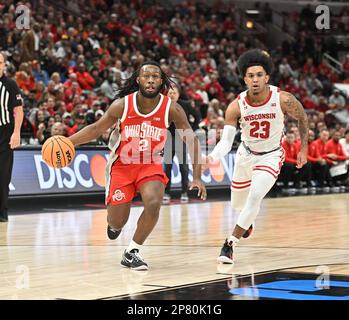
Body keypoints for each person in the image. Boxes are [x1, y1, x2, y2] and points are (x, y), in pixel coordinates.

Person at [69, 61, 206, 270]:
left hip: (150, 164)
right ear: (138, 80)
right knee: (117, 222)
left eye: (155, 77)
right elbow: (97, 129)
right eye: (146, 76)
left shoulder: (172, 109)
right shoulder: (122, 105)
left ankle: (132, 251)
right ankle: (114, 225)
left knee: (153, 202)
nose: (151, 80)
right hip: (121, 166)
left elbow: (192, 141)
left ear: (162, 82)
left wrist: (196, 176)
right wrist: (68, 142)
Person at [204, 49, 309, 264]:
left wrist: (304, 148)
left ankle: (230, 244)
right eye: (250, 76)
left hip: (271, 156)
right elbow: (226, 142)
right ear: (244, 78)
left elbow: (303, 117)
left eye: (259, 75)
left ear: (267, 77)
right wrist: (211, 158)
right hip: (245, 154)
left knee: (255, 197)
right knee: (237, 203)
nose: (255, 80)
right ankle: (247, 222)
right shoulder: (236, 106)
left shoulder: (283, 99)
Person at [163, 83, 201, 204]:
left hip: (182, 140)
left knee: (183, 167)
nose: (172, 94)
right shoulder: (163, 106)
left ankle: (184, 192)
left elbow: (197, 116)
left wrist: (191, 130)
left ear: (178, 94)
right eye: (170, 93)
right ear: (167, 94)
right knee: (167, 168)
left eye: (174, 92)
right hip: (168, 140)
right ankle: (166, 192)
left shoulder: (185, 104)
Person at [0, 52, 24, 222]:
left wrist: (16, 132)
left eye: (0, 62)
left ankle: (2, 211)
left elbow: (19, 110)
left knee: (3, 175)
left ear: (4, 64)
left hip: (4, 134)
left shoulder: (10, 85)